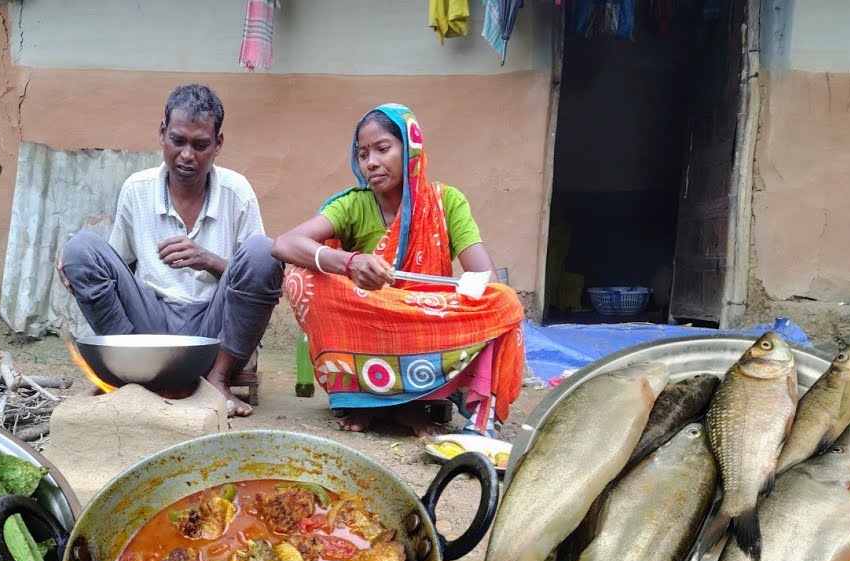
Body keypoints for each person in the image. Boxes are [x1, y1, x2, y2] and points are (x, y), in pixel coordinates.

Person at [272, 103, 525, 437]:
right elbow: (285, 244)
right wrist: (350, 263)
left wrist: (452, 298)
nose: (371, 162)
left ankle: (413, 405)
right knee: (301, 279)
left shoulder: (446, 202)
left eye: (383, 149)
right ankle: (369, 402)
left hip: (424, 317)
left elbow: (486, 281)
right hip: (369, 316)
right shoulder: (353, 204)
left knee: (505, 302)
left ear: (411, 150)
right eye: (363, 154)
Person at [58, 84, 283, 416]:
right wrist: (78, 268)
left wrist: (207, 260)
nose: (187, 155)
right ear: (162, 134)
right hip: (149, 328)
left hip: (214, 331)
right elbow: (118, 265)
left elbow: (256, 278)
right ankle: (131, 372)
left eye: (200, 145)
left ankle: (218, 379)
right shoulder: (137, 189)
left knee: (265, 252)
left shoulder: (237, 192)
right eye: (178, 141)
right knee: (80, 250)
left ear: (218, 144)